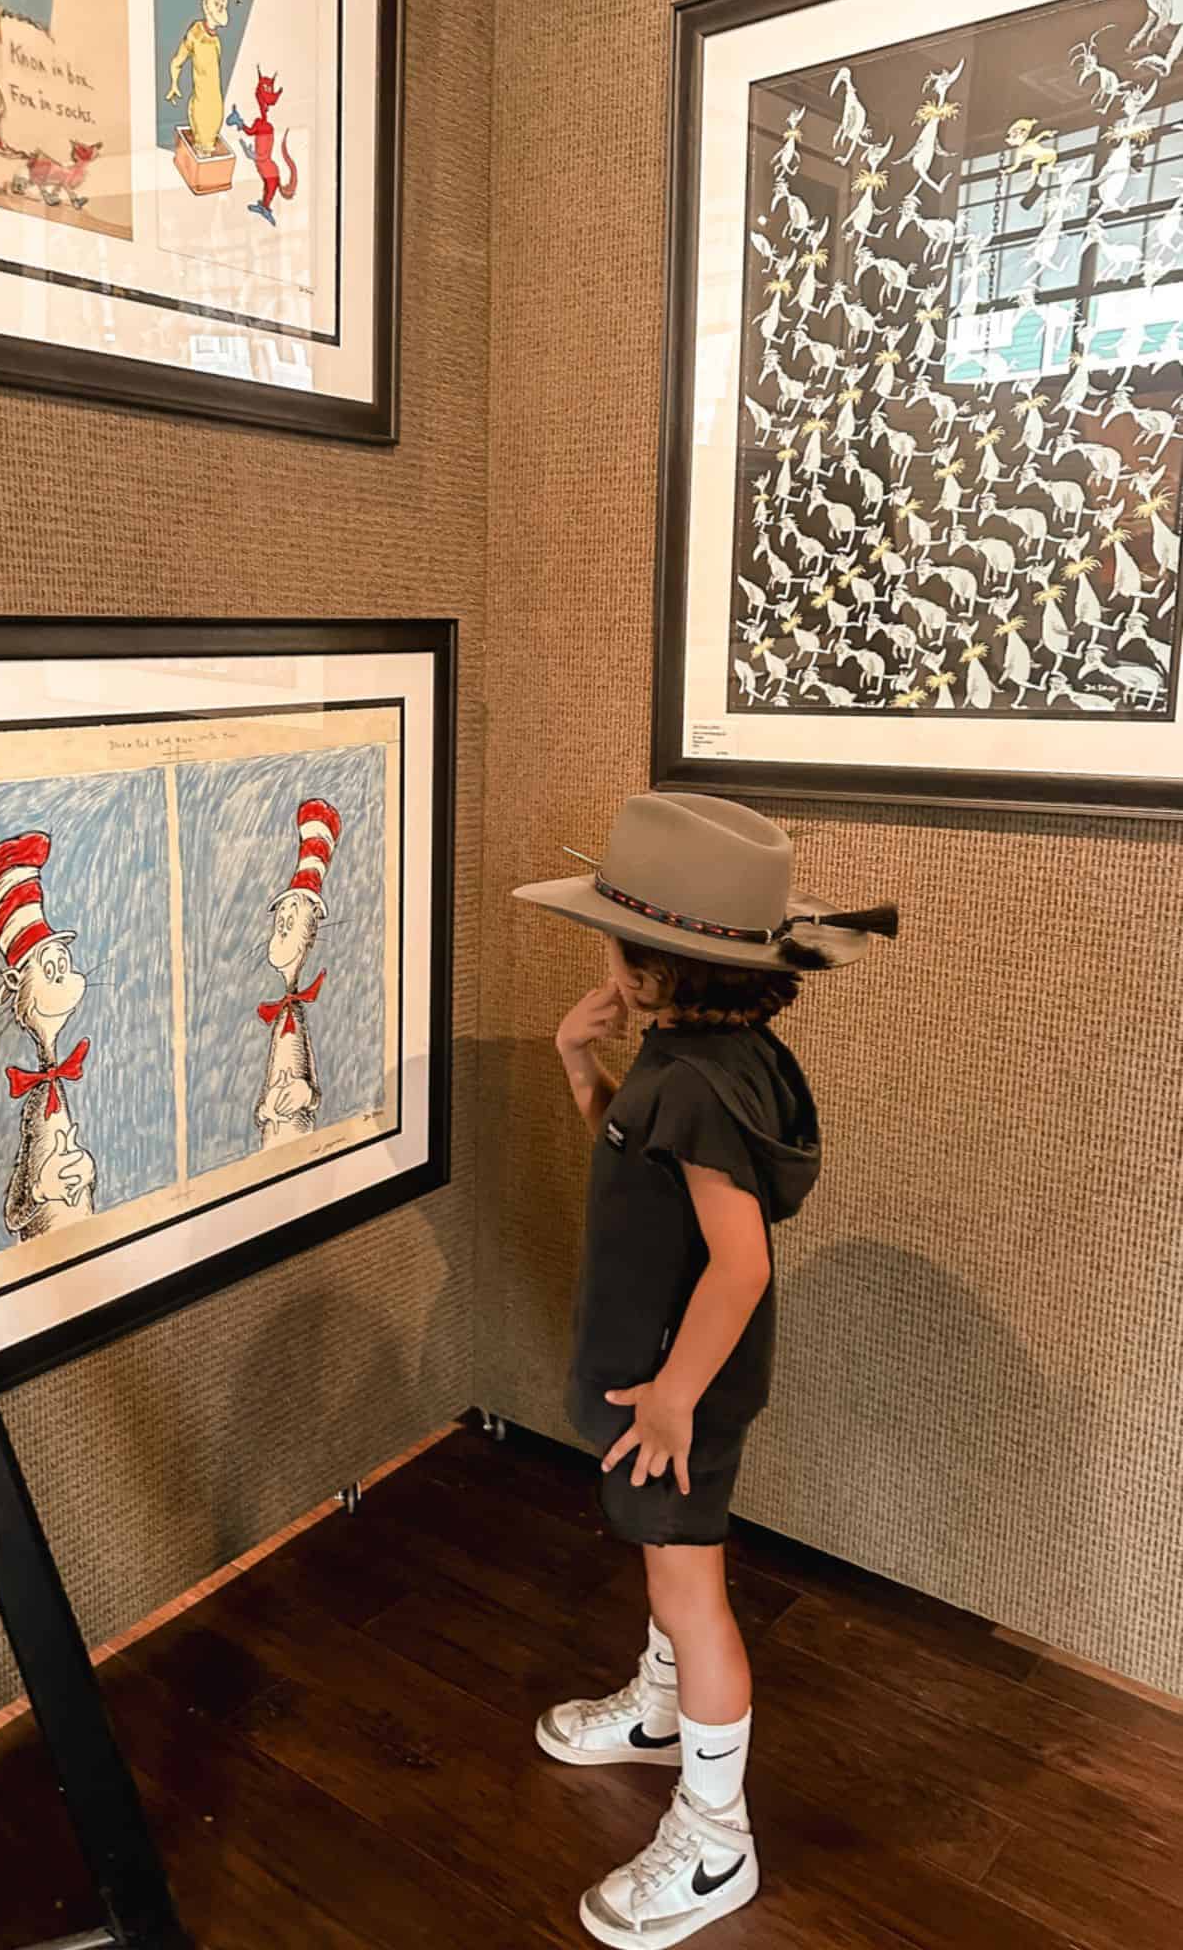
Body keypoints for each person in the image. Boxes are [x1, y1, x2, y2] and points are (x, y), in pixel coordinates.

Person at [512, 792, 897, 1947]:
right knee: (669, 1569)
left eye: (615, 946)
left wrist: (674, 1393)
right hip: (663, 1374)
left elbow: (737, 1265)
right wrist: (581, 1062)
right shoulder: (715, 1060)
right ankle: (662, 1710)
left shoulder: (692, 1080)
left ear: (648, 965)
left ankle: (716, 1835)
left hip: (676, 1386)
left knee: (693, 1587)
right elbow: (642, 1183)